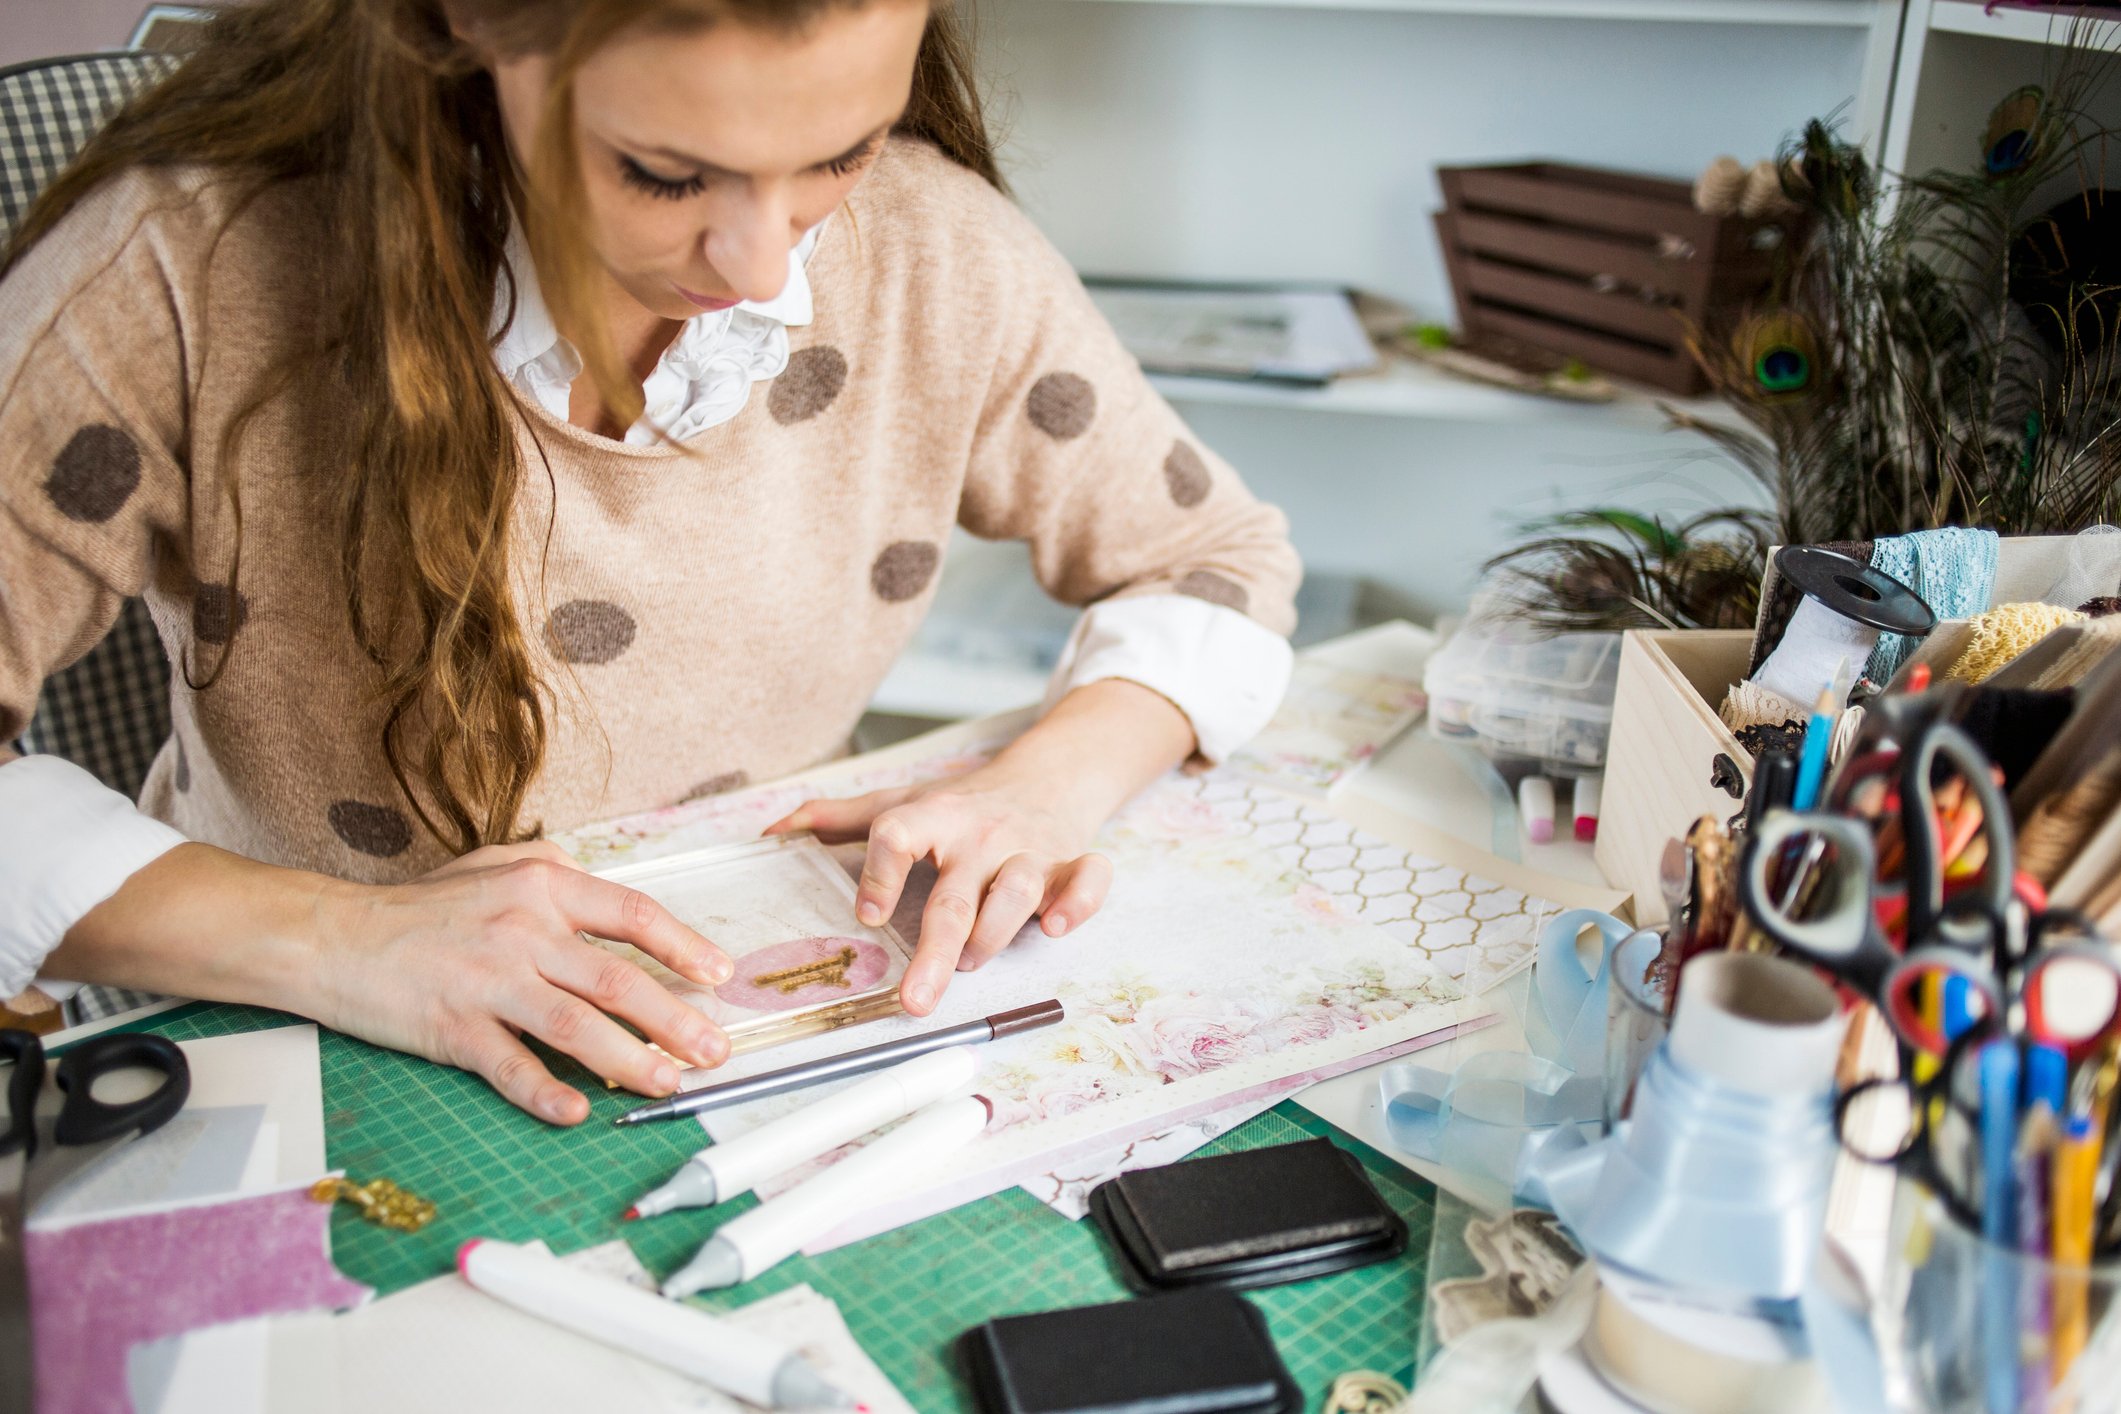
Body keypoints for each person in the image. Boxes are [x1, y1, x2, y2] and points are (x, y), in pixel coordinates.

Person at [0, 0, 1299, 1124]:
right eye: (668, 176)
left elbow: (1216, 560)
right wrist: (348, 939)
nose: (764, 264)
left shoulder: (931, 250)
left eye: (835, 151)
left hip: (745, 1020)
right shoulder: (183, 270)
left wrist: (1044, 788)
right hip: (290, 1027)